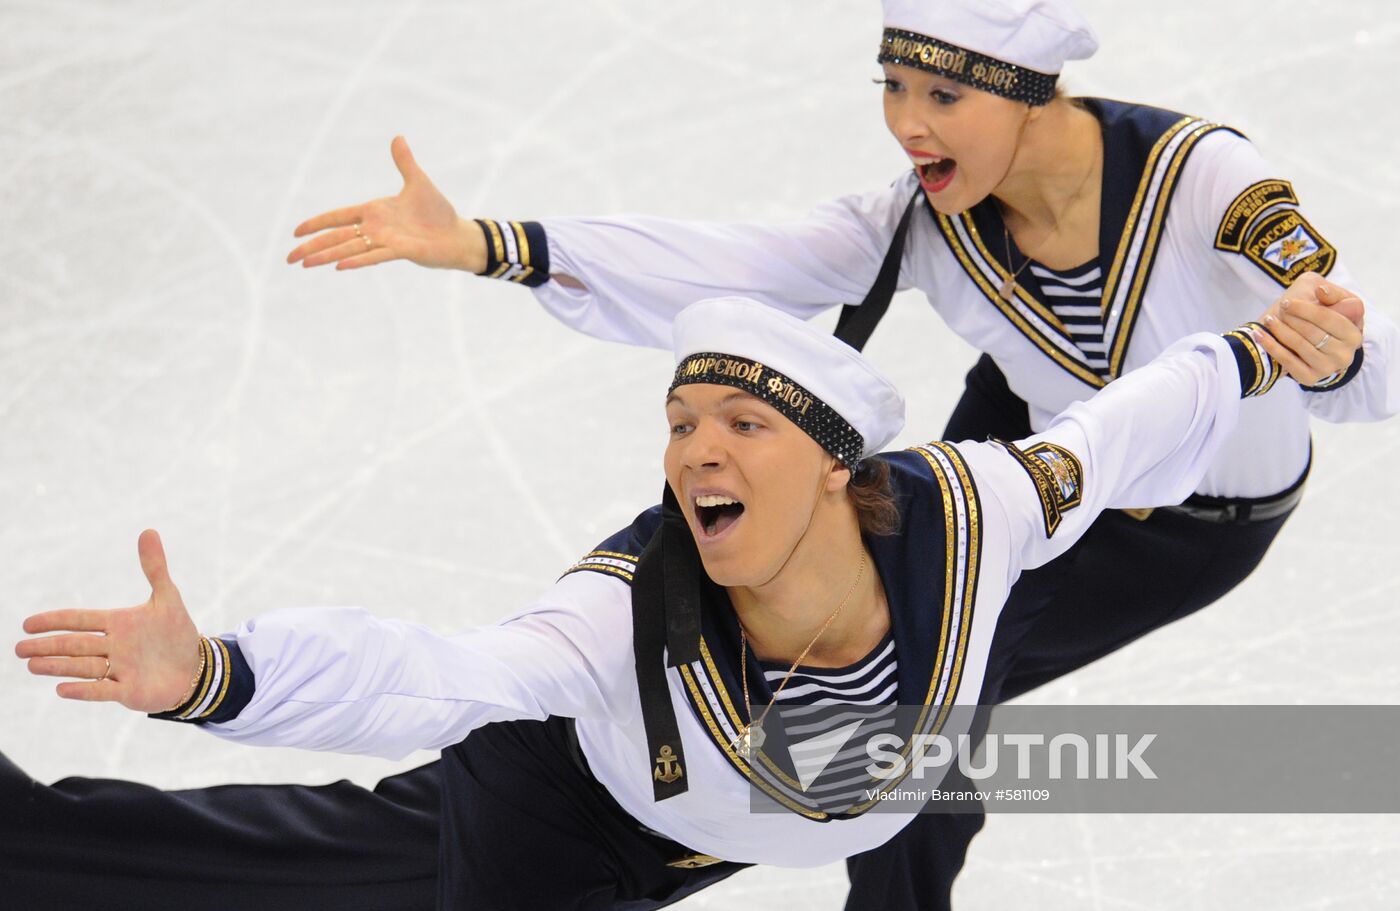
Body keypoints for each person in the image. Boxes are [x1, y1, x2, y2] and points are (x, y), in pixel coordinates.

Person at [9, 293, 1357, 910]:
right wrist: (217, 677)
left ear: (840, 467)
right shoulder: (622, 618)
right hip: (571, 813)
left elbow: (1131, 427)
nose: (694, 450)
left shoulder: (978, 508)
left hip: (807, 783)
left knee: (928, 785)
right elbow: (437, 674)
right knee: (323, 870)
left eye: (737, 425)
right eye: (678, 423)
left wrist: (1256, 345)